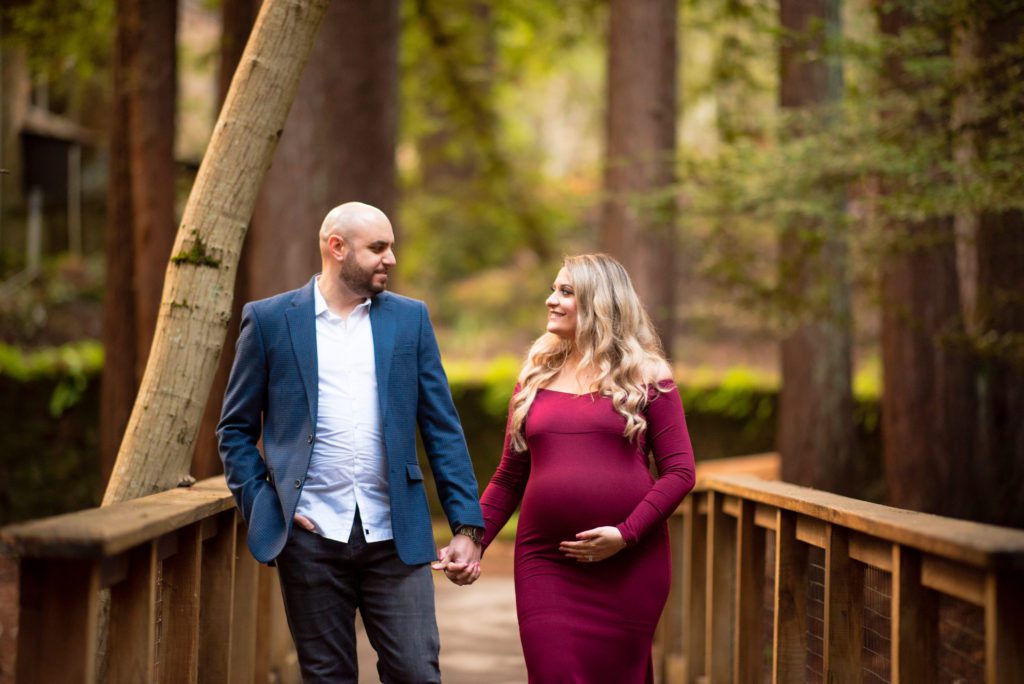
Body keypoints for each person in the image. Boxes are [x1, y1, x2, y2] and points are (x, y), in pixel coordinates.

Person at [217, 202, 484, 683]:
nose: (391, 259)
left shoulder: (410, 320)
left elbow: (442, 428)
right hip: (310, 537)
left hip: (395, 537)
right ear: (336, 248)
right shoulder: (271, 320)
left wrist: (467, 527)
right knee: (327, 677)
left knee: (417, 674)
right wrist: (263, 502)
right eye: (378, 248)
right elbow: (234, 431)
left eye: (392, 247)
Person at [476, 253, 696, 682]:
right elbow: (508, 478)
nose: (550, 300)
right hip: (546, 561)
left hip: (630, 564)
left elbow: (681, 472)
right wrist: (472, 538)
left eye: (565, 292)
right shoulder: (535, 378)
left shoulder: (648, 376)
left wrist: (625, 534)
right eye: (553, 289)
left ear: (599, 303)